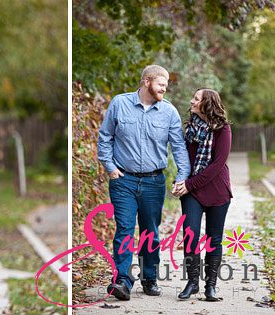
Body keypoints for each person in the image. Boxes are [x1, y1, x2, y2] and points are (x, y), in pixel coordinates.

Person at [97, 65, 191, 300]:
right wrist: (110, 167)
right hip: (123, 181)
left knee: (150, 232)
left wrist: (182, 176)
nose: (164, 89)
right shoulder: (120, 104)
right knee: (125, 230)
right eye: (161, 84)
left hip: (153, 182)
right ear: (147, 81)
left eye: (166, 86)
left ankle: (149, 278)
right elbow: (105, 137)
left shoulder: (169, 112)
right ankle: (122, 280)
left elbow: (179, 148)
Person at [173, 88, 231, 301]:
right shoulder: (190, 130)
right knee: (191, 235)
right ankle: (192, 282)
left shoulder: (222, 130)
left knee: (214, 239)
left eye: (196, 99)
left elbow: (217, 165)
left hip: (217, 190)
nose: (191, 101)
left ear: (206, 103)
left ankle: (211, 286)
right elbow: (184, 161)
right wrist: (180, 183)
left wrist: (189, 184)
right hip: (192, 192)